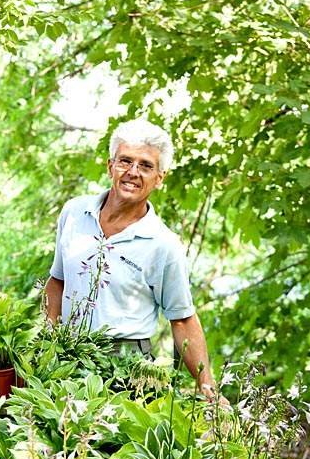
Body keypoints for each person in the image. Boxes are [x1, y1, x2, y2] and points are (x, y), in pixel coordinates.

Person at [45, 118, 221, 399]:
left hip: (127, 367)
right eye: (125, 161)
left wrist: (208, 387)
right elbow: (57, 282)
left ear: (160, 177)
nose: (133, 172)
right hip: (66, 357)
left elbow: (182, 320)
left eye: (146, 166)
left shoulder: (163, 244)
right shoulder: (74, 212)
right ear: (110, 166)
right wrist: (46, 342)